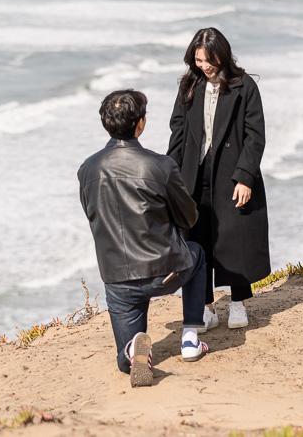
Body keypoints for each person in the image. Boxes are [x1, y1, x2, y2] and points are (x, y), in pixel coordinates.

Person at [78, 89, 210, 388]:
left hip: (118, 281)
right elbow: (189, 218)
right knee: (197, 253)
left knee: (125, 362)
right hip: (165, 271)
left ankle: (130, 350)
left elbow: (92, 213)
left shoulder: (87, 169)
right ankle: (190, 338)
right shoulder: (160, 166)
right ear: (140, 123)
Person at [167, 28, 271, 331]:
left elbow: (255, 136)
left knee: (233, 238)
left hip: (232, 173)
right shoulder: (189, 84)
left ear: (222, 56)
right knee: (198, 242)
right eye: (199, 60)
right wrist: (170, 176)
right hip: (193, 174)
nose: (204, 66)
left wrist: (245, 177)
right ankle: (207, 306)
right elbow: (178, 132)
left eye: (209, 60)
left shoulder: (244, 85)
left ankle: (238, 303)